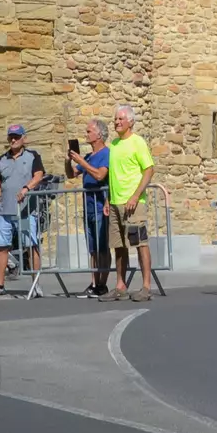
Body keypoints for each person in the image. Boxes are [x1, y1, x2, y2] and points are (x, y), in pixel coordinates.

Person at [103, 105, 156, 301]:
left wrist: (135, 196)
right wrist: (109, 198)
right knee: (118, 245)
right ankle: (120, 285)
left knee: (140, 243)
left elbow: (149, 169)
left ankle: (146, 286)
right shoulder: (114, 145)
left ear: (131, 122)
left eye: (121, 119)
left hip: (133, 203)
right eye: (115, 119)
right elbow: (114, 175)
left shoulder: (137, 142)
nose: (117, 122)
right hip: (116, 202)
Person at [0, 125, 46, 299]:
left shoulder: (32, 156)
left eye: (17, 137)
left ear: (23, 138)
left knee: (31, 246)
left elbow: (39, 175)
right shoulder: (2, 159)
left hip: (26, 210)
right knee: (2, 247)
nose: (13, 140)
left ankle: (35, 285)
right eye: (11, 137)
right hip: (5, 211)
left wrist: (27, 188)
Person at [69, 119, 112, 298]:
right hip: (88, 206)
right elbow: (72, 173)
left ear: (99, 135)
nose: (86, 134)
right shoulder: (87, 157)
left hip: (101, 206)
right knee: (93, 247)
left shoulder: (105, 154)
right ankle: (94, 283)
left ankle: (102, 283)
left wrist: (82, 161)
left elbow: (100, 174)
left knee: (102, 246)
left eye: (89, 131)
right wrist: (69, 160)